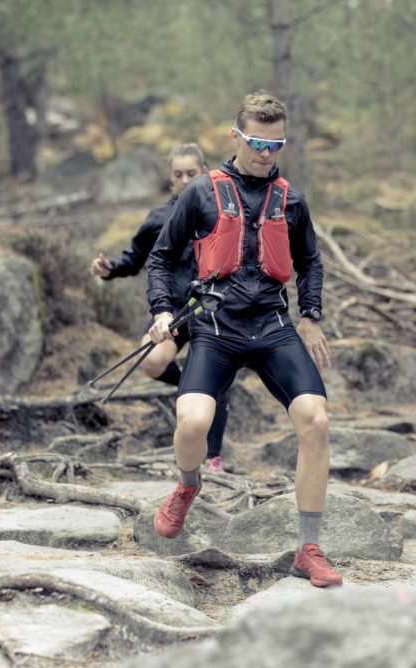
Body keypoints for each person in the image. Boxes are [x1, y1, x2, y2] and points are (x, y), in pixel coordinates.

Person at [146, 92, 341, 587]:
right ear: (236, 137)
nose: (265, 153)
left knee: (316, 420)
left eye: (276, 145)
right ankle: (188, 485)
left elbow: (310, 261)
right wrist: (162, 311)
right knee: (193, 423)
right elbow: (162, 258)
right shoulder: (201, 192)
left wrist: (310, 315)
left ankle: (309, 549)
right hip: (215, 327)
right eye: (257, 143)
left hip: (272, 326)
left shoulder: (291, 201)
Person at [90, 144, 231, 473]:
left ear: (205, 173)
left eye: (191, 173)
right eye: (178, 174)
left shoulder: (224, 214)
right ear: (170, 179)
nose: (185, 180)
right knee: (152, 361)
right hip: (173, 311)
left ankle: (213, 458)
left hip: (213, 312)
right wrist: (110, 269)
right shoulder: (158, 218)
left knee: (216, 377)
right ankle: (197, 391)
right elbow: (136, 259)